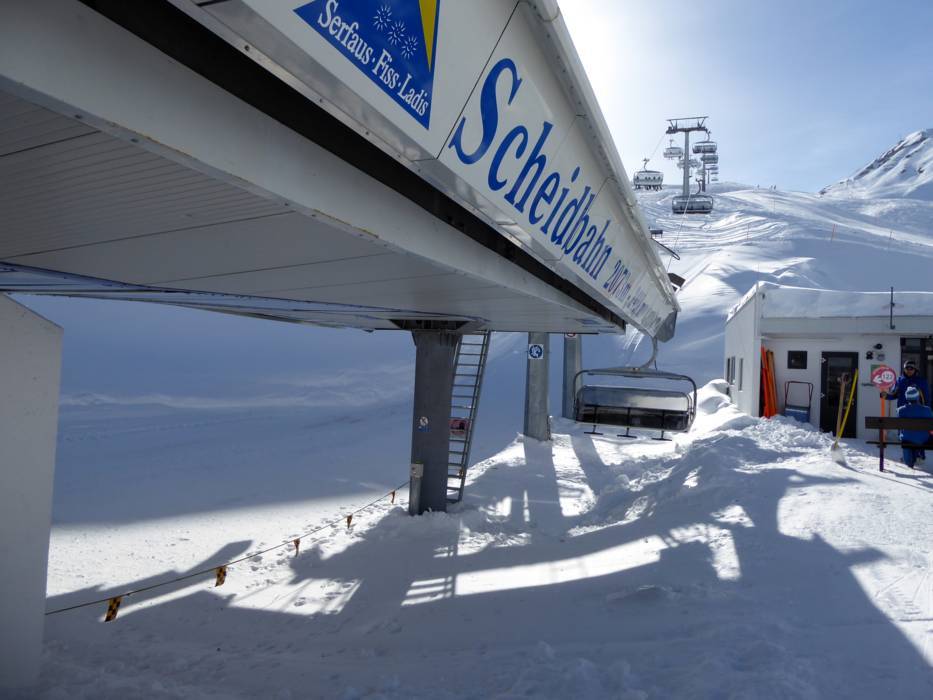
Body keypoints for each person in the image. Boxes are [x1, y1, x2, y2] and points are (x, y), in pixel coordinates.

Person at [897, 386, 932, 468]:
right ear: (917, 397)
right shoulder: (927, 410)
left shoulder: (901, 410)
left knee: (909, 437)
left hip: (907, 438)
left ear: (907, 398)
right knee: (919, 436)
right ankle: (917, 454)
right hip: (923, 438)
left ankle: (909, 459)